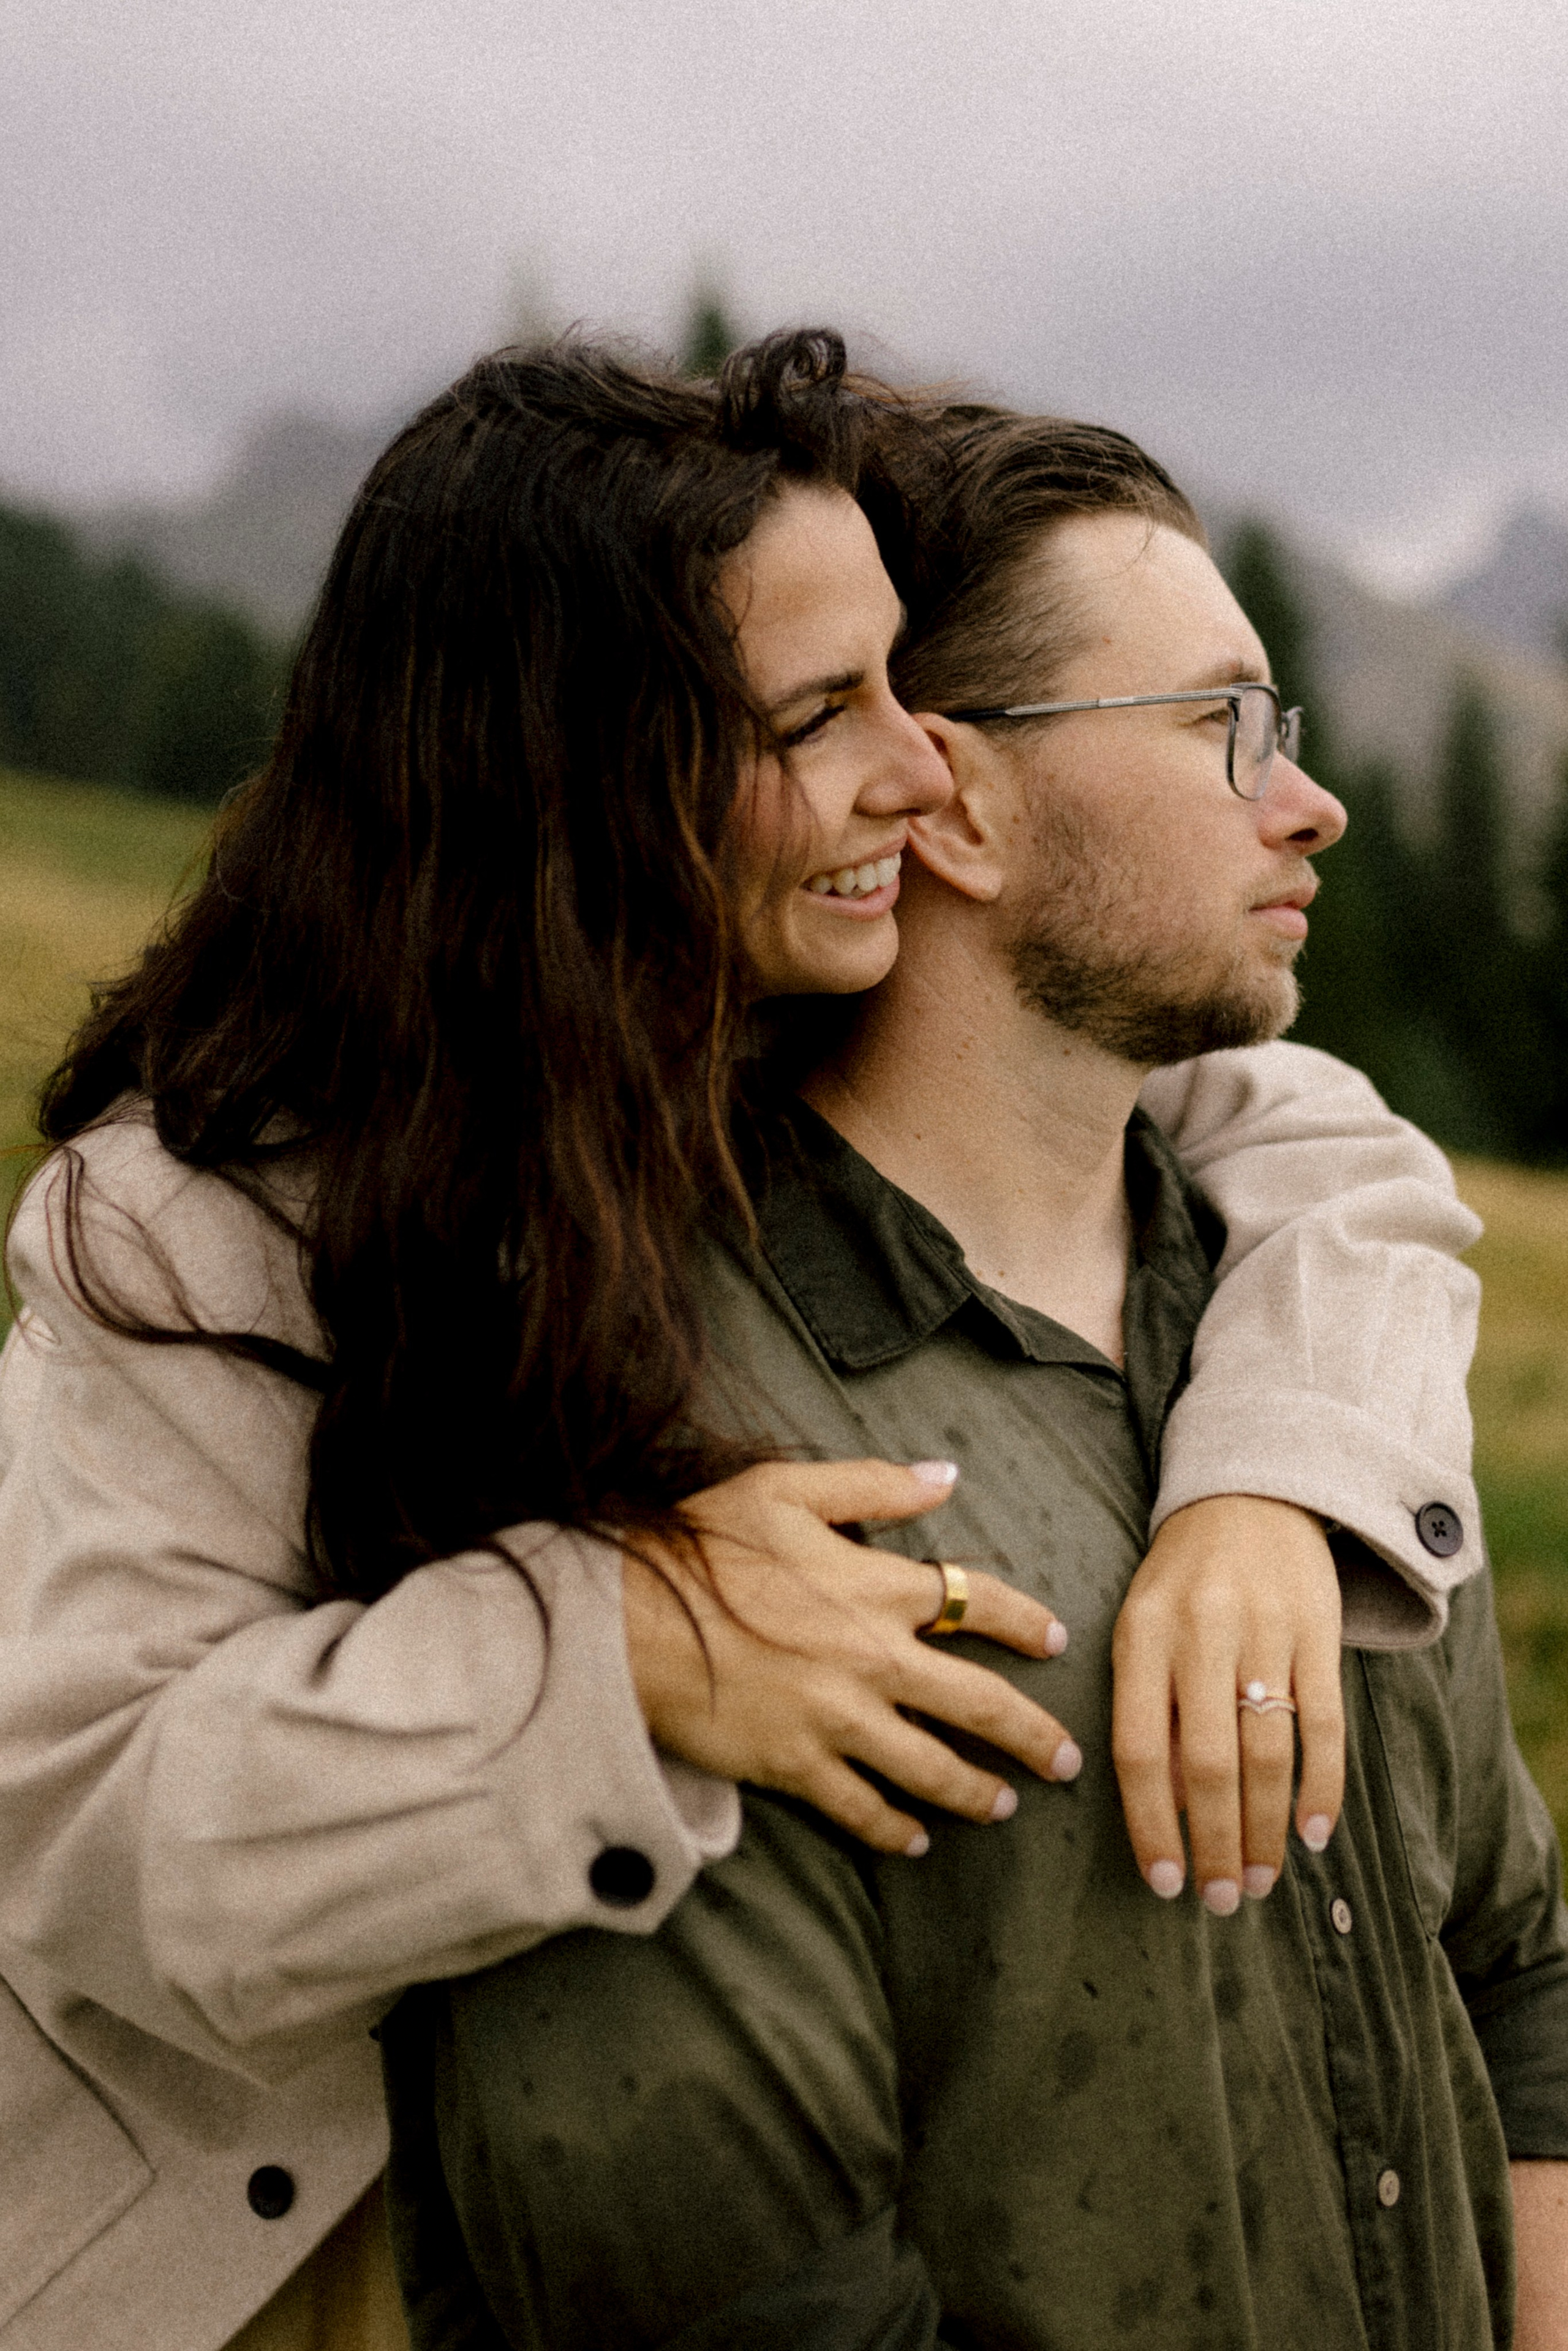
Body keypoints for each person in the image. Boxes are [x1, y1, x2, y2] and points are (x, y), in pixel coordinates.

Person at [0, 339, 1482, 2351]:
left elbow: (1316, 1136)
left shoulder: (783, 1001)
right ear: (587, 774)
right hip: (245, 2256)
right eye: (821, 715)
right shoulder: (205, 1222)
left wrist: (1268, 1482)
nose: (920, 761)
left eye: (903, 676)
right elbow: (89, 1851)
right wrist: (625, 1647)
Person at [379, 396, 1567, 2351]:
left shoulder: (1310, 1345)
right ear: (953, 797)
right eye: (1223, 727)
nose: (1309, 802)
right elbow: (747, 2303)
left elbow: (1516, 1970)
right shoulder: (664, 1434)